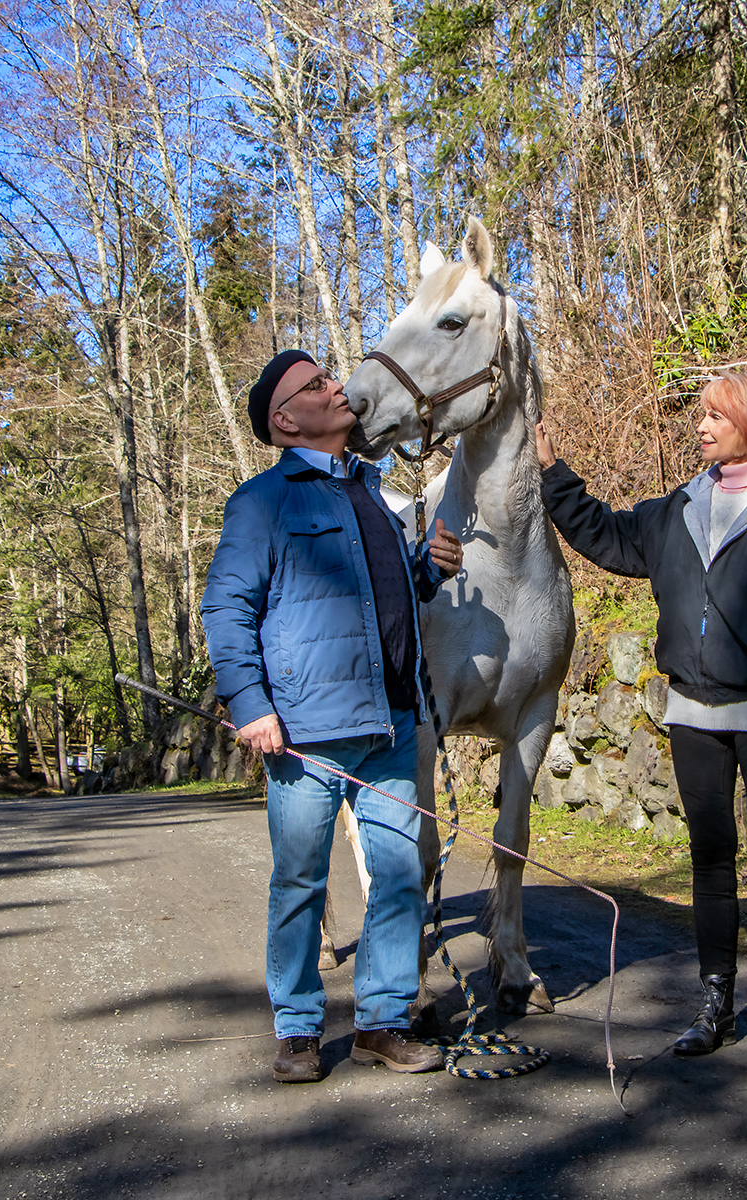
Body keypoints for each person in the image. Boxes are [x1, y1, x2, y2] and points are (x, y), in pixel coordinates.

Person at [535, 371, 747, 1063]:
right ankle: (715, 1004)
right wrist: (553, 471)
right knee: (710, 861)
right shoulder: (680, 507)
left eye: (715, 416)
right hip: (694, 713)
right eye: (700, 415)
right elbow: (606, 536)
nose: (700, 426)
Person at [202, 349, 463, 1083]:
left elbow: (387, 597)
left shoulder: (372, 491)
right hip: (305, 736)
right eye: (314, 385)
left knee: (401, 875)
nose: (334, 386)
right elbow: (227, 607)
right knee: (300, 882)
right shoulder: (261, 503)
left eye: (329, 375)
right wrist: (250, 703)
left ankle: (382, 1020)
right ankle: (298, 1028)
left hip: (389, 725)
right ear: (285, 421)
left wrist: (428, 570)